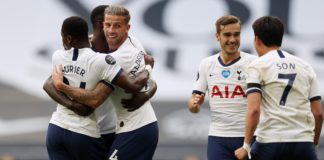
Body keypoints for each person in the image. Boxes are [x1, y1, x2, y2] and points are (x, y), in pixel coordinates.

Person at [43, 5, 157, 154]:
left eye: (118, 25)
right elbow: (49, 83)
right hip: (92, 130)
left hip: (114, 129)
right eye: (109, 24)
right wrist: (71, 104)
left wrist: (146, 94)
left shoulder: (127, 47)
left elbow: (149, 81)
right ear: (101, 24)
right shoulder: (82, 48)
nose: (112, 30)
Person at [234, 16, 323, 160]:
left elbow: (254, 109)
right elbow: (318, 113)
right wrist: (314, 144)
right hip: (303, 143)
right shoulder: (305, 66)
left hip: (271, 143)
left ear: (257, 39)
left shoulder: (257, 66)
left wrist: (246, 146)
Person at [187, 15, 257, 160]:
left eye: (236, 34)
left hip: (248, 137)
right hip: (218, 137)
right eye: (227, 34)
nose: (232, 39)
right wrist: (195, 105)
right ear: (217, 36)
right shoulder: (207, 64)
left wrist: (247, 144)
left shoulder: (253, 63)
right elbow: (193, 103)